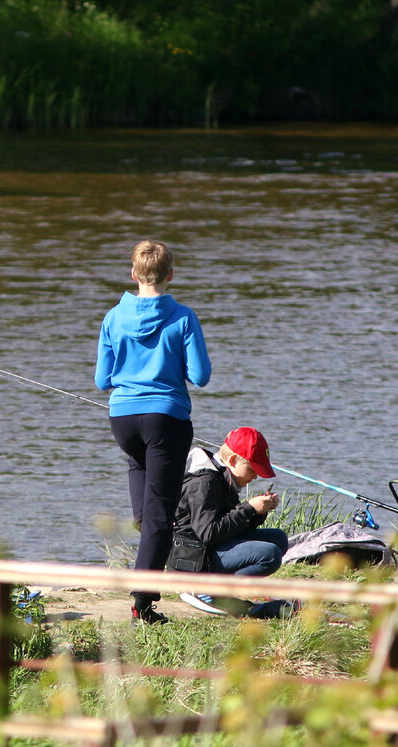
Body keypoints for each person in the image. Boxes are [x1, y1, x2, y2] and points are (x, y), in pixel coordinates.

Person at [95, 239, 212, 625]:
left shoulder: (113, 316)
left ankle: (148, 528)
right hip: (166, 419)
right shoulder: (182, 316)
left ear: (133, 274)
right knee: (162, 512)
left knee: (146, 494)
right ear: (171, 275)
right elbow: (201, 376)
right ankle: (141, 604)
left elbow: (101, 380)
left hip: (123, 420)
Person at [169, 427, 292, 618]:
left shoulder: (226, 477)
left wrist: (259, 512)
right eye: (252, 469)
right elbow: (209, 534)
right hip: (193, 559)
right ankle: (208, 591)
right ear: (233, 460)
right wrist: (248, 508)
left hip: (209, 548)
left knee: (279, 539)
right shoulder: (205, 482)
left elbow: (231, 527)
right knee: (269, 554)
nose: (255, 476)